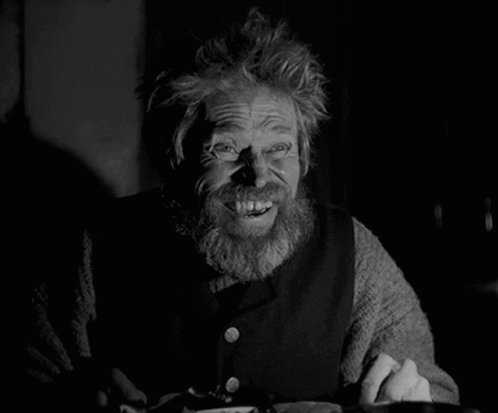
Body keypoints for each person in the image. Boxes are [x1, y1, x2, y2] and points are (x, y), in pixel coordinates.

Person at [24, 8, 459, 412]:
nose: (258, 175)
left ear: (304, 158)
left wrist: (411, 402)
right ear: (173, 157)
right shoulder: (96, 250)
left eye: (279, 149)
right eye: (227, 148)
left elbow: (434, 392)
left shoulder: (351, 253)